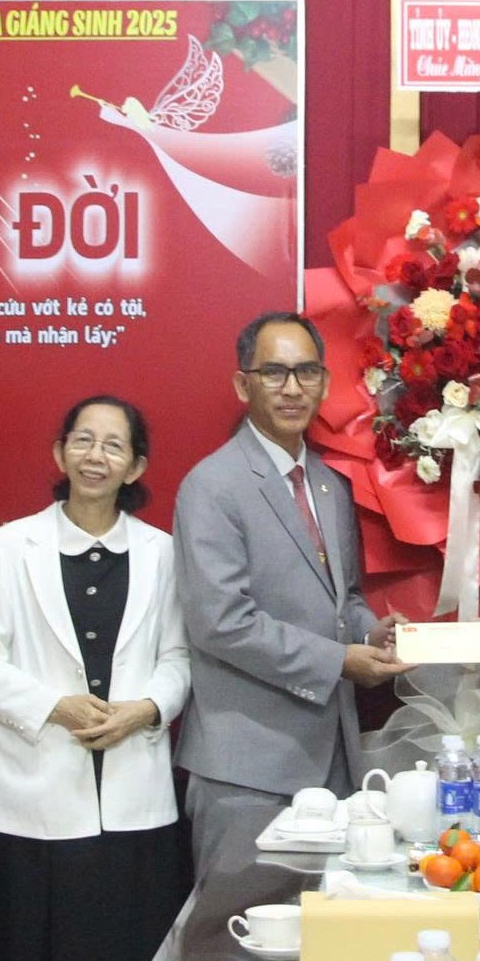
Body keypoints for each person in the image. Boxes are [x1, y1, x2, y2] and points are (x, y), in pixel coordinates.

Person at [0, 395, 191, 961]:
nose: (96, 456)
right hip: (33, 796)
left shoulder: (162, 552)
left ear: (135, 466)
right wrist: (52, 706)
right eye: (83, 440)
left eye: (114, 445)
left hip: (133, 796)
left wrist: (146, 708)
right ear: (60, 453)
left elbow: (180, 657)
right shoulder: (11, 545)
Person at [173, 312, 408, 875]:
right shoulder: (211, 485)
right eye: (274, 373)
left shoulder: (329, 483)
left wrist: (370, 633)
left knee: (331, 924)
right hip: (248, 769)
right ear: (243, 384)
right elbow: (221, 623)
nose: (292, 388)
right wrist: (341, 662)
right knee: (238, 922)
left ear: (325, 384)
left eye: (307, 372)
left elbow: (344, 599)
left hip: (334, 761)